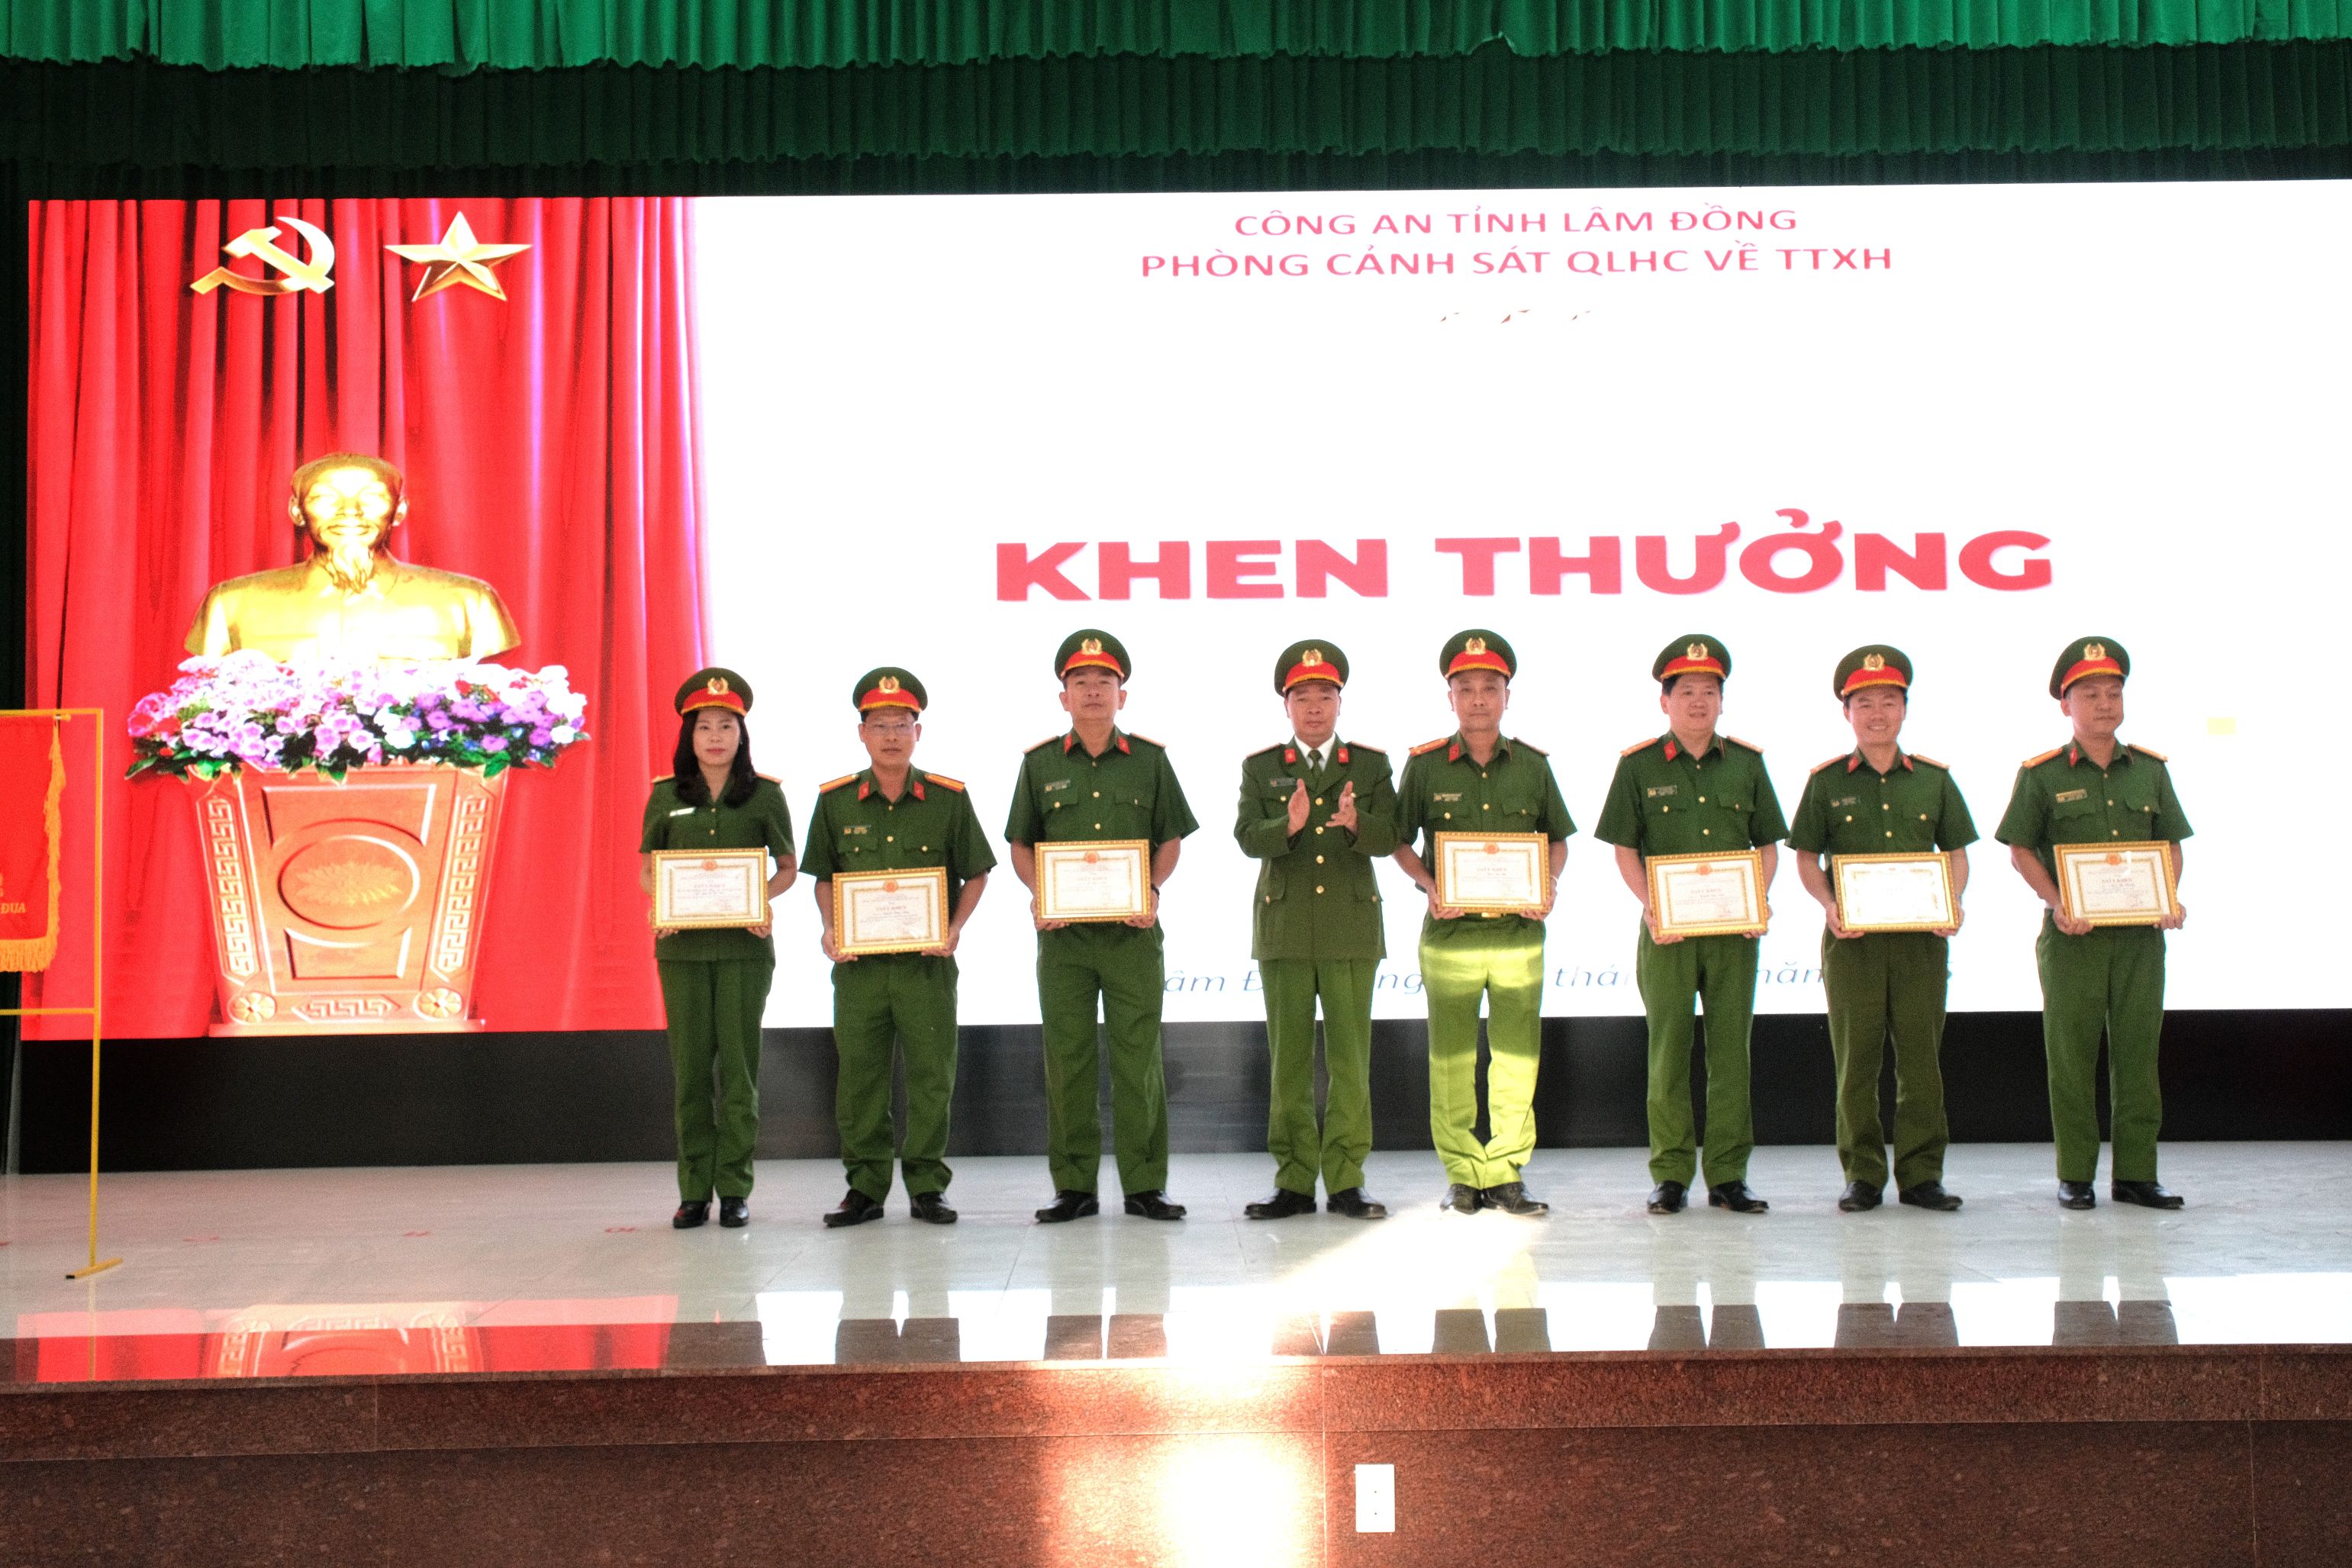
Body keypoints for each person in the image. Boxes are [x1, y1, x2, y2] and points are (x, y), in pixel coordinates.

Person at [1005, 631, 1199, 1223]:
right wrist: (1041, 893)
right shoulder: (1039, 764)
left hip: (1131, 936)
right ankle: (1074, 1187)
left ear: (1122, 695)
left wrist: (1153, 890)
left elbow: (1169, 839)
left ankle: (1145, 1185)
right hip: (1063, 939)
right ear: (1063, 697)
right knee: (1067, 1060)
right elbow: (1021, 843)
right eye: (1081, 682)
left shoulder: (1150, 761)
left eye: (1104, 682)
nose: (1093, 691)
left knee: (1138, 1060)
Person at [1995, 638, 2192, 1210]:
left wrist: (2169, 896)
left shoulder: (2150, 771)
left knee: (2138, 1055)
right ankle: (2075, 1174)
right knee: (2072, 1057)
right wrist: (2057, 901)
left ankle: (2137, 1174)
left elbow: (2169, 844)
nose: (2105, 704)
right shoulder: (2042, 774)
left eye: (2113, 693)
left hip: (2139, 938)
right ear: (2066, 705)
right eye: (2090, 695)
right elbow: (2020, 850)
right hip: (2072, 937)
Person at [1596, 636, 1786, 1216]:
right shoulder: (1638, 766)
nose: (1698, 702)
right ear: (1665, 702)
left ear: (1722, 701)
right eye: (1686, 692)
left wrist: (1758, 898)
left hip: (1733, 936)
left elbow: (1767, 845)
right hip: (1667, 935)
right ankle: (1671, 1174)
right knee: (1668, 1053)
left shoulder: (1747, 764)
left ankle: (1728, 1175)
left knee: (1731, 1056)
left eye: (1709, 691)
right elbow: (1625, 848)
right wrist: (1649, 903)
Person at [1390, 630, 1574, 1218]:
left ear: (1506, 696)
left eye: (1489, 688)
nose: (1477, 698)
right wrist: (1429, 884)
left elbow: (1557, 839)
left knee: (1516, 1057)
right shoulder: (1424, 766)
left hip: (1518, 935)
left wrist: (1548, 883)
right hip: (1451, 935)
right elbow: (1398, 839)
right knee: (1452, 1058)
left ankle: (1507, 1171)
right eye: (1465, 688)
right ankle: (1463, 1174)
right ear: (1450, 697)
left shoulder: (1534, 767)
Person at [804, 668, 994, 1228]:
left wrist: (955, 927)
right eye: (880, 725)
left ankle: (928, 1186)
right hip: (860, 969)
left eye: (902, 724)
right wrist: (830, 929)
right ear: (862, 733)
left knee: (932, 1077)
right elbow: (824, 878)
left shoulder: (948, 799)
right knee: (860, 1080)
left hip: (926, 968)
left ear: (919, 732)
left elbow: (978, 872)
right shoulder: (836, 801)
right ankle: (864, 1187)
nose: (891, 736)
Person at [1788, 646, 1974, 1214]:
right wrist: (1828, 904)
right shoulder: (1826, 782)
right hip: (1854, 945)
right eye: (1864, 703)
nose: (1877, 714)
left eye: (1889, 702)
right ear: (1847, 712)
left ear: (1905, 709)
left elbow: (1956, 853)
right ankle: (1862, 1175)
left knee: (1922, 1061)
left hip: (1921, 944)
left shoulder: (1934, 781)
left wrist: (1953, 900)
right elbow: (1806, 858)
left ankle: (1922, 1175)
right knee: (1857, 1062)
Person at [1232, 641, 1399, 1221]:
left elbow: (1392, 836)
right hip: (1285, 929)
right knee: (1290, 1063)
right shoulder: (1262, 767)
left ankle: (1348, 1178)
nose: (1313, 707)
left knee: (1351, 1061)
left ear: (1339, 702)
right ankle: (1295, 1180)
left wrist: (1357, 824)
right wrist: (1290, 824)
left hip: (1350, 927)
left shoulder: (1370, 765)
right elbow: (1247, 836)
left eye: (1324, 695)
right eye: (1301, 696)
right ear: (1287, 705)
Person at [638, 669, 796, 1229]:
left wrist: (761, 900)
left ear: (741, 734)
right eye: (704, 726)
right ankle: (692, 1192)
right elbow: (648, 867)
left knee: (739, 1071)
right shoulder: (665, 795)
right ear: (689, 735)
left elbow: (786, 868)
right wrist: (660, 904)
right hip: (681, 951)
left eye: (726, 726)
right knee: (690, 1074)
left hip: (744, 950)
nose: (715, 737)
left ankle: (733, 1188)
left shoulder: (766, 795)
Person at [185, 452, 519, 662]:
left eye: (372, 498)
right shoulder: (231, 604)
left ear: (399, 510)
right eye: (325, 498)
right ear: (297, 511)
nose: (350, 511)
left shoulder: (469, 603)